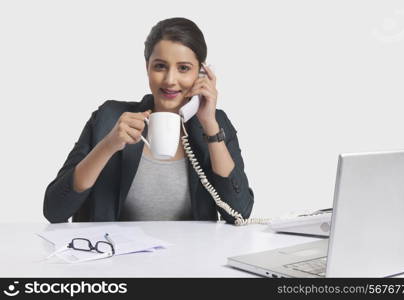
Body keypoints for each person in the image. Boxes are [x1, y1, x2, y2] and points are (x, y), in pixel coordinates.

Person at [43, 17, 254, 224]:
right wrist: (108, 146)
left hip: (191, 257)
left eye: (183, 68)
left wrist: (209, 125)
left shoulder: (216, 124)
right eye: (160, 66)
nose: (170, 80)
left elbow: (239, 213)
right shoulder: (109, 117)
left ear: (201, 73)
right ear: (147, 68)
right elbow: (54, 211)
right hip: (115, 256)